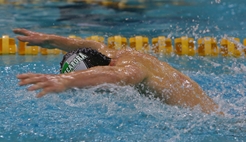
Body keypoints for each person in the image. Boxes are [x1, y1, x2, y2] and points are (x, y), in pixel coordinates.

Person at [14, 28, 222, 114]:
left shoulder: (131, 69)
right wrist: (49, 40)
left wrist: (65, 80)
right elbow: (88, 44)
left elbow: (115, 76)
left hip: (216, 123)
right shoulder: (112, 54)